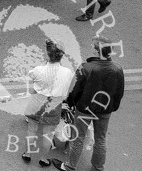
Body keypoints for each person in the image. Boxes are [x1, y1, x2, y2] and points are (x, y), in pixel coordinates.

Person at [51, 35, 124, 171]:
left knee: (78, 138)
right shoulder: (117, 68)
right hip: (105, 110)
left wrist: (70, 103)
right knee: (100, 139)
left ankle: (69, 166)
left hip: (84, 110)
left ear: (97, 52)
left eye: (93, 46)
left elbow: (75, 90)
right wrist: (112, 107)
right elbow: (119, 92)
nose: (91, 47)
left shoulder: (86, 67)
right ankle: (97, 167)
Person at [21, 39, 74, 167]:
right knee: (48, 134)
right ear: (61, 56)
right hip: (54, 105)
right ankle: (43, 159)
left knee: (32, 130)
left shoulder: (38, 70)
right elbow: (65, 92)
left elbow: (31, 79)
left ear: (47, 54)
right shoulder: (67, 73)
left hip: (37, 102)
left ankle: (28, 154)